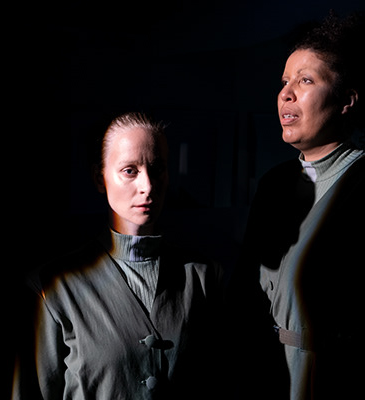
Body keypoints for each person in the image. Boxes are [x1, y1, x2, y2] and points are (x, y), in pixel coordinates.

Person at [229, 11, 365, 400]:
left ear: (347, 100)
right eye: (284, 81)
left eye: (305, 80)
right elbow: (245, 297)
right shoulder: (274, 186)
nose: (286, 93)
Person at [12, 112, 225, 400]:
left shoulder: (203, 278)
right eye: (130, 171)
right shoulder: (52, 287)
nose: (147, 186)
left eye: (157, 168)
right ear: (100, 178)